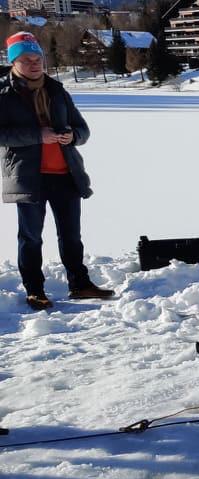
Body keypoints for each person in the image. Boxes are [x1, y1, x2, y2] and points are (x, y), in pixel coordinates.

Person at [1, 32, 113, 311]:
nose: (35, 63)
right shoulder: (3, 93)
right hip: (28, 177)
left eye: (38, 58)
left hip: (65, 174)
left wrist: (71, 136)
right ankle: (35, 290)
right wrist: (38, 136)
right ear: (14, 62)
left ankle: (80, 284)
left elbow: (83, 129)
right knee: (31, 237)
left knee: (71, 235)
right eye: (27, 59)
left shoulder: (56, 90)